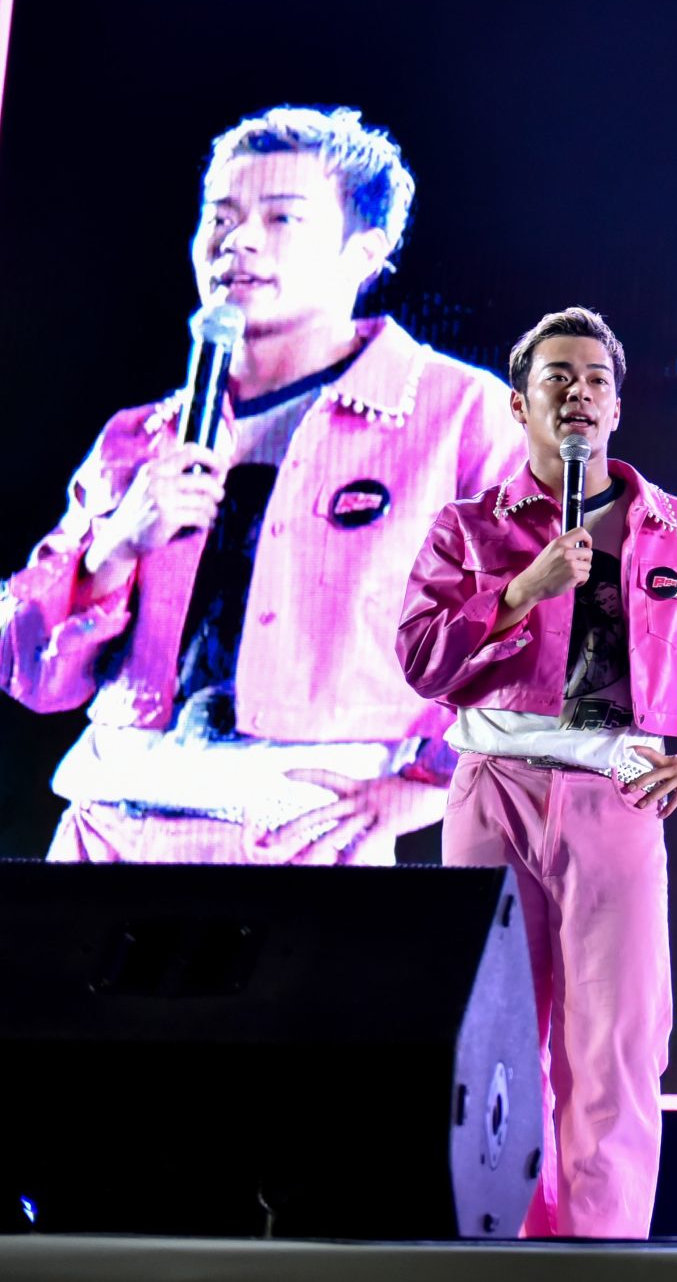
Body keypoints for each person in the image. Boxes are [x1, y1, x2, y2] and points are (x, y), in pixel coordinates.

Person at [0, 106, 517, 863]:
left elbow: (553, 631)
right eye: (220, 216)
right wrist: (113, 549)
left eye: (282, 218)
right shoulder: (139, 437)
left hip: (303, 838)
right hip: (102, 833)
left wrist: (435, 787)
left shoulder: (459, 415)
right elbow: (24, 667)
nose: (238, 240)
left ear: (363, 252)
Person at [398, 306, 677, 1239]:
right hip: (494, 787)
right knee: (491, 1041)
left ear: (617, 406)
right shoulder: (468, 528)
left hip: (617, 792)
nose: (579, 393)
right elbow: (419, 659)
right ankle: (494, 1251)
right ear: (519, 404)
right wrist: (518, 592)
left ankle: (598, 1257)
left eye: (596, 380)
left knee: (614, 1045)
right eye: (557, 378)